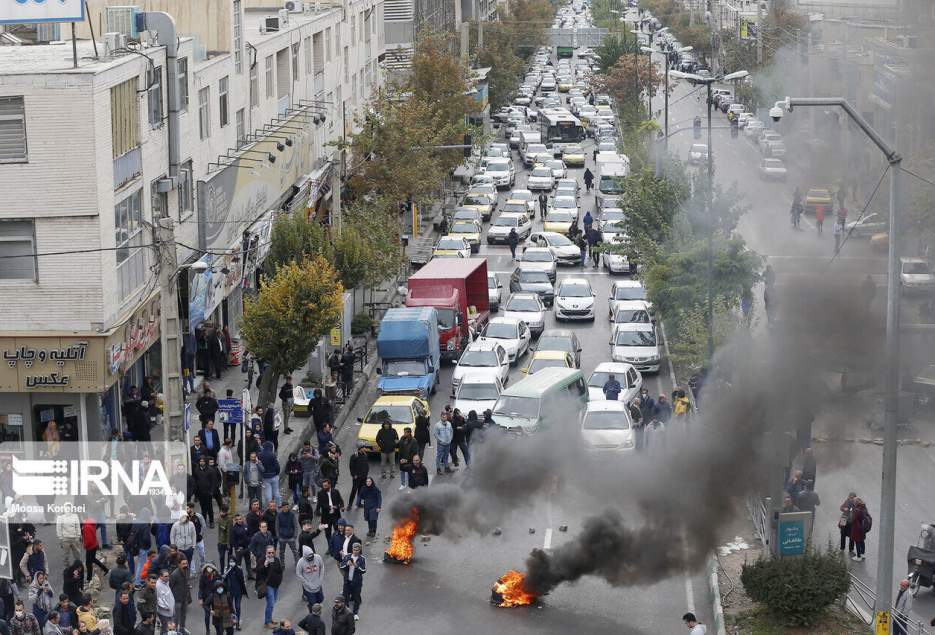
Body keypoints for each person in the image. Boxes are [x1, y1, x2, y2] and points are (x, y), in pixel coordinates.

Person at [256, 545, 283, 629]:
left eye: (272, 552)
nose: (271, 554)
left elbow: (280, 570)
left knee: (273, 602)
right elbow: (258, 571)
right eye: (269, 553)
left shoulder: (276, 559)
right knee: (270, 603)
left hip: (276, 585)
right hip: (268, 585)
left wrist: (279, 581)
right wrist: (265, 565)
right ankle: (267, 622)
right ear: (266, 553)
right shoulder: (262, 560)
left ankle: (270, 618)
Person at [339, 543, 366, 620]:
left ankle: (355, 613)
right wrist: (347, 564)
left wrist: (356, 566)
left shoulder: (362, 559)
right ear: (352, 549)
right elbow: (341, 566)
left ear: (359, 550)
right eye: (354, 549)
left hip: (357, 583)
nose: (355, 551)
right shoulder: (347, 557)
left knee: (356, 598)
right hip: (347, 582)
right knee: (345, 597)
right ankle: (346, 612)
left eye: (357, 550)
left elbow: (363, 570)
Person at [296, 546, 325, 614]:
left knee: (321, 599)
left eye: (312, 557)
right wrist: (306, 583)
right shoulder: (301, 562)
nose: (311, 558)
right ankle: (312, 613)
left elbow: (322, 567)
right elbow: (298, 573)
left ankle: (314, 607)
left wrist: (320, 580)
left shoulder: (318, 557)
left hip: (318, 584)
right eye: (309, 557)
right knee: (313, 602)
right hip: (309, 587)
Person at [168, 558, 190, 633]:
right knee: (176, 617)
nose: (185, 565)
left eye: (186, 563)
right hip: (176, 599)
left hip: (184, 598)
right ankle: (175, 632)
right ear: (179, 564)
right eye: (183, 564)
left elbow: (187, 583)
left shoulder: (187, 571)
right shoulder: (174, 574)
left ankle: (182, 629)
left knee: (183, 615)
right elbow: (170, 586)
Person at [258, 441, 281, 508]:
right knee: (276, 492)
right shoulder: (273, 455)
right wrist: (277, 473)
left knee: (268, 493)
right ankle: (278, 505)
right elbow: (277, 466)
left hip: (265, 477)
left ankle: (269, 507)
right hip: (274, 476)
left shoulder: (260, 455)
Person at [397, 428, 418, 492]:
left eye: (405, 432)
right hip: (402, 459)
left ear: (409, 433)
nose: (404, 434)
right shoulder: (402, 438)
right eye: (404, 432)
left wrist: (407, 460)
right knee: (402, 472)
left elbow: (414, 452)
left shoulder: (414, 441)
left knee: (410, 474)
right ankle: (403, 484)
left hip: (409, 460)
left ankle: (410, 487)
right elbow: (399, 447)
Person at [850, 497, 870, 561]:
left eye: (854, 502)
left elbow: (853, 519)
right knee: (862, 541)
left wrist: (851, 513)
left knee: (857, 541)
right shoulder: (864, 508)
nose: (853, 503)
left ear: (856, 502)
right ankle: (862, 554)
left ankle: (858, 556)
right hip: (863, 527)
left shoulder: (856, 510)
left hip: (857, 529)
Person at [155, 570, 175, 634]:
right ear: (160, 577)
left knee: (170, 628)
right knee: (166, 629)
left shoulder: (166, 582)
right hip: (164, 613)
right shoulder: (158, 586)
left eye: (168, 576)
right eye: (165, 576)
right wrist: (167, 607)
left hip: (170, 611)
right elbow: (159, 599)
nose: (168, 577)